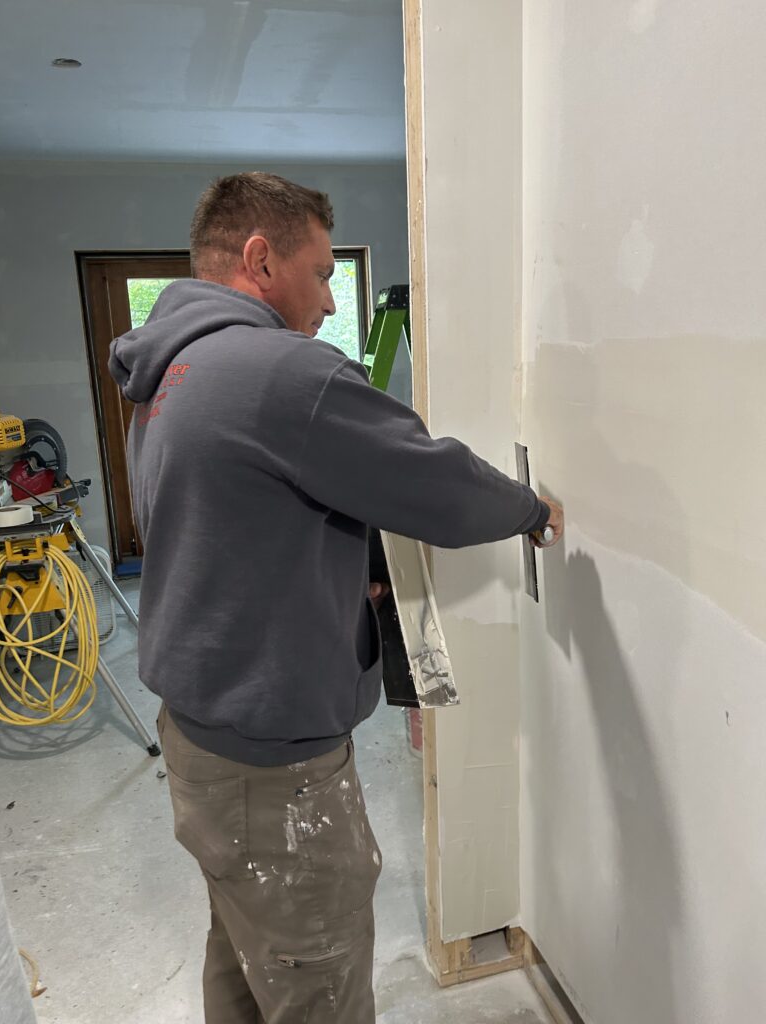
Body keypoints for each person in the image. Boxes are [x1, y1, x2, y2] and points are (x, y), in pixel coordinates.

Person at [109, 172, 563, 1024]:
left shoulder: (169, 368)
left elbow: (235, 526)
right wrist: (532, 508)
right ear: (257, 258)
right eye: (319, 273)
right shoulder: (282, 374)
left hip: (202, 737)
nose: (326, 300)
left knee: (245, 957)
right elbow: (437, 485)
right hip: (273, 768)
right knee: (316, 983)